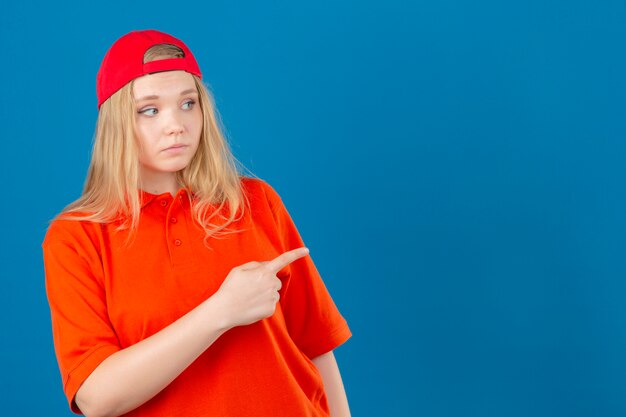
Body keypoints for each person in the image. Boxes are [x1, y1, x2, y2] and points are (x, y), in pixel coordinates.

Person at [42, 29, 352, 417]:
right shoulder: (77, 237)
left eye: (188, 103)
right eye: (150, 110)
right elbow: (95, 398)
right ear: (116, 122)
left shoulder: (256, 202)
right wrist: (222, 310)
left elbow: (318, 345)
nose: (177, 125)